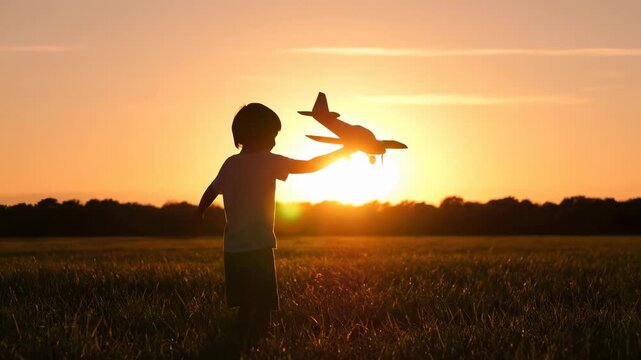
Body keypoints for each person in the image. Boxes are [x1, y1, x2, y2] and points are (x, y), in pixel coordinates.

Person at [197, 103, 354, 347]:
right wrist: (342, 153)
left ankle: (241, 338)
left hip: (234, 249)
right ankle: (257, 341)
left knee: (246, 302)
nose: (274, 141)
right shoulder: (269, 162)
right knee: (262, 303)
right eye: (273, 135)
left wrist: (199, 212)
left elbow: (211, 190)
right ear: (258, 133)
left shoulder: (230, 164)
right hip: (260, 247)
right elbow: (309, 165)